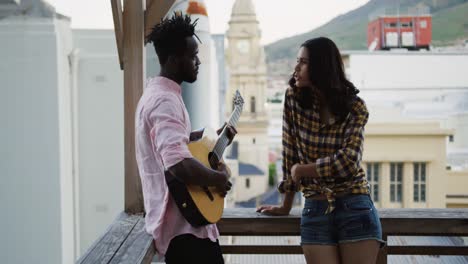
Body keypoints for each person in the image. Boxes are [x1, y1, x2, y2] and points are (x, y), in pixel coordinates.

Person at [257, 37, 384, 264]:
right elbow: (290, 153)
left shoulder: (355, 107)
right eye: (297, 61)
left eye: (303, 63)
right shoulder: (293, 99)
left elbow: (348, 163)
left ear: (322, 68)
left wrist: (303, 170)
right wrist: (285, 205)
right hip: (315, 207)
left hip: (354, 204)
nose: (296, 68)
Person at [136, 14, 235, 264]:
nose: (198, 61)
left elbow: (175, 145)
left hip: (188, 229)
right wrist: (218, 179)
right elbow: (178, 164)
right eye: (192, 56)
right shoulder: (164, 101)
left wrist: (213, 143)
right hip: (184, 234)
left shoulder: (161, 94)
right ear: (172, 59)